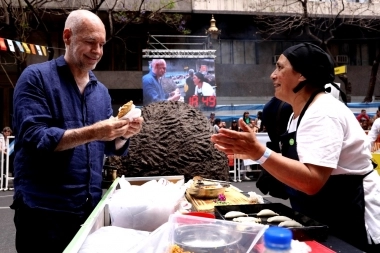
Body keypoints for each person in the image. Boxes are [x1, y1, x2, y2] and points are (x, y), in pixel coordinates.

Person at [211, 43, 380, 252]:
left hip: (348, 216)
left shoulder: (323, 112)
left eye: (280, 68)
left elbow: (312, 181)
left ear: (302, 74)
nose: (273, 75)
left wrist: (259, 153)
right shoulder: (296, 115)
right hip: (318, 216)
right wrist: (261, 158)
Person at [11, 10, 144, 253]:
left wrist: (123, 133)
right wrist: (95, 131)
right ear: (67, 36)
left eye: (102, 44)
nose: (98, 51)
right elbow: (37, 138)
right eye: (90, 42)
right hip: (43, 213)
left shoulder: (101, 91)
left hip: (89, 209)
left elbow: (106, 146)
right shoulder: (36, 77)